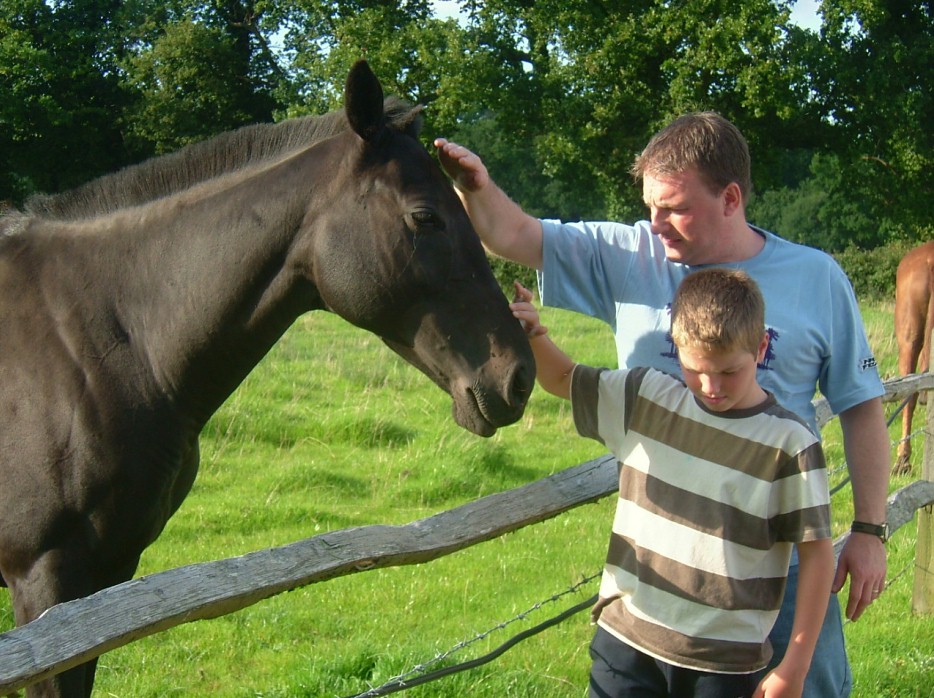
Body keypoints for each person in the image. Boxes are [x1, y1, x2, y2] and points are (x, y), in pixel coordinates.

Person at [434, 111, 889, 696]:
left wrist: (870, 529)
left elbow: (860, 405)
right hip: (662, 569)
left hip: (783, 564)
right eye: (649, 205)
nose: (656, 225)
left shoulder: (816, 277)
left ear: (730, 197)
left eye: (674, 207)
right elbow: (513, 234)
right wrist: (476, 187)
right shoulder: (629, 254)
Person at [511, 269, 835, 697]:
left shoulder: (789, 444)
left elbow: (817, 556)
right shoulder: (644, 398)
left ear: (761, 347)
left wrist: (794, 666)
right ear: (674, 345)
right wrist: (533, 333)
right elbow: (562, 379)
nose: (711, 386)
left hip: (722, 665)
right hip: (626, 641)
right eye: (695, 369)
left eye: (729, 372)